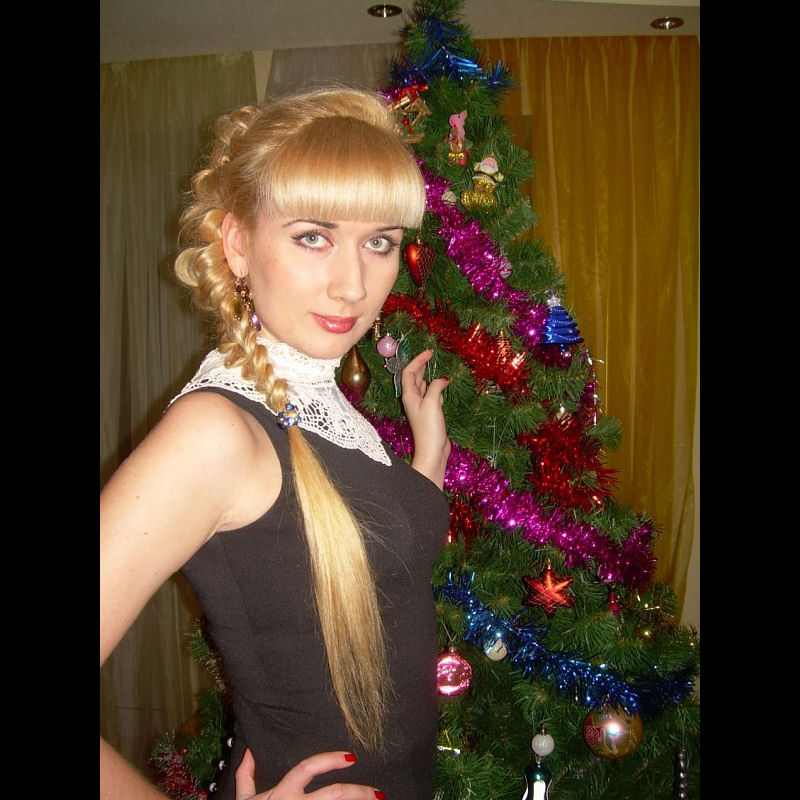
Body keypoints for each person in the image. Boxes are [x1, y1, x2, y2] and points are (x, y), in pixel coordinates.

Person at [100, 86, 452, 800]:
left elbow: (376, 565)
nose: (352, 285)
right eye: (313, 236)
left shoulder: (322, 405)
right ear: (237, 245)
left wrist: (427, 456)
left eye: (380, 242)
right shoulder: (214, 433)